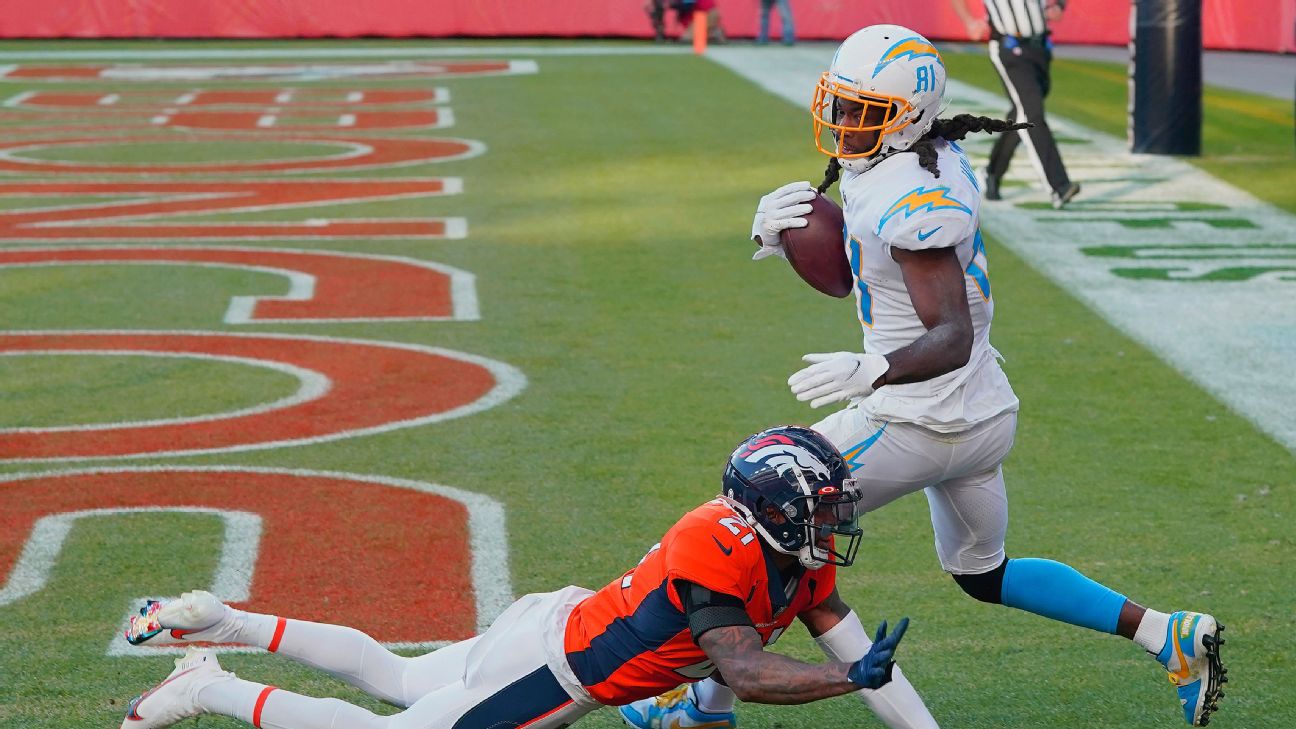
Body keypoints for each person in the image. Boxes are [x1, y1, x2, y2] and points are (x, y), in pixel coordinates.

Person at [623, 24, 1226, 729]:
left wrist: (874, 367)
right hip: (980, 414)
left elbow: (949, 332)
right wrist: (785, 242)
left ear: (905, 115)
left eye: (861, 110)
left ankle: (704, 709)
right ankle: (1166, 632)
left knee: (750, 524)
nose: (843, 121)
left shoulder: (911, 191)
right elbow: (863, 276)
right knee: (983, 571)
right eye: (840, 104)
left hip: (916, 418)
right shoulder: (917, 155)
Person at [116, 426, 936, 729]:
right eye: (823, 508)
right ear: (772, 509)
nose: (836, 524)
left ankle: (229, 623)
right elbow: (747, 669)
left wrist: (863, 675)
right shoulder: (715, 550)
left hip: (558, 624)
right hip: (556, 669)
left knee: (400, 676)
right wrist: (840, 677)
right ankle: (205, 687)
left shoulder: (793, 557)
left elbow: (859, 655)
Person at [950, 0, 1080, 208]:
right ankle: (1059, 185)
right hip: (1010, 46)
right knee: (1032, 113)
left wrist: (1060, 6)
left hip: (1040, 46)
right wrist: (969, 22)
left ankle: (992, 173)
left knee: (1023, 112)